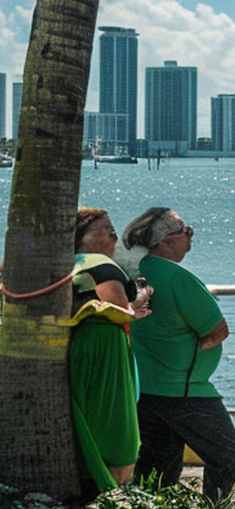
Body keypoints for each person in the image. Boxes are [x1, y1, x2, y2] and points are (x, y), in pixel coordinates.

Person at [123, 207, 235, 501]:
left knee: (158, 467)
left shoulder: (132, 272)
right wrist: (196, 349)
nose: (191, 237)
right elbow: (217, 331)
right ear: (165, 241)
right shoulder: (178, 278)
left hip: (144, 386)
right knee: (227, 453)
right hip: (185, 388)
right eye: (185, 231)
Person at [68, 208, 150, 492]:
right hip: (105, 349)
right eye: (107, 229)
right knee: (119, 435)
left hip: (84, 345)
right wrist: (139, 299)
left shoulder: (72, 264)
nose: (115, 234)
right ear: (83, 237)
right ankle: (116, 493)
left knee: (93, 425)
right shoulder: (99, 263)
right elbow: (116, 307)